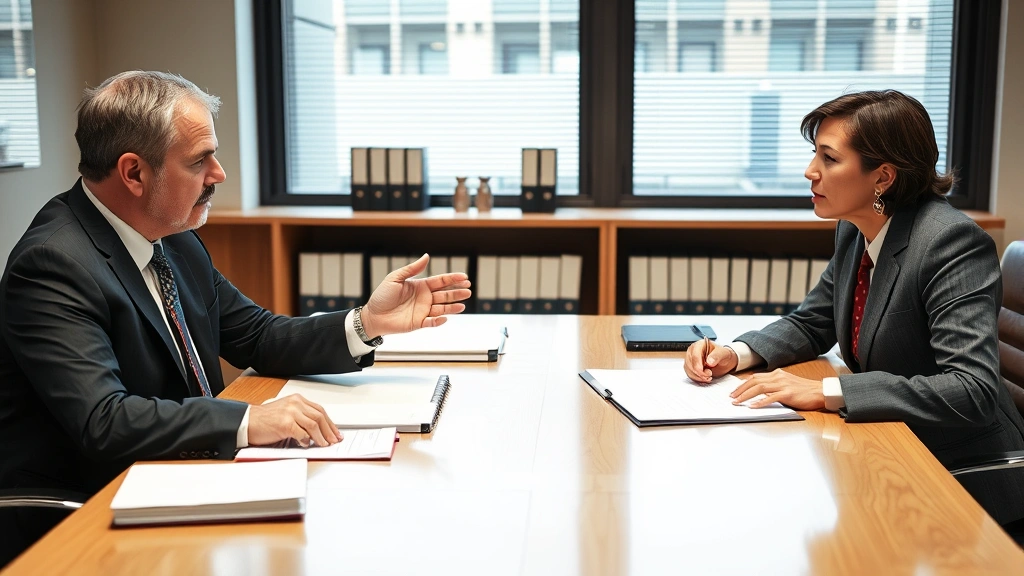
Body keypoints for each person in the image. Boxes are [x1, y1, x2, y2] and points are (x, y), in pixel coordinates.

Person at [0, 71, 471, 561]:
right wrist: (249, 419)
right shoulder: (53, 265)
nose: (219, 173)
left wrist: (365, 322)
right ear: (134, 173)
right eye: (199, 160)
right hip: (91, 512)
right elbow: (105, 420)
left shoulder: (172, 236)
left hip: (182, 474)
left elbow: (259, 336)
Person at [684, 90, 1024, 532]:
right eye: (814, 154)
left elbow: (971, 389)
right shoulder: (856, 227)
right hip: (894, 444)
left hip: (966, 469)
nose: (810, 172)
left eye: (829, 158)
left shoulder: (951, 244)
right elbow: (814, 320)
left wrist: (829, 391)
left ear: (882, 177)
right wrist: (736, 354)